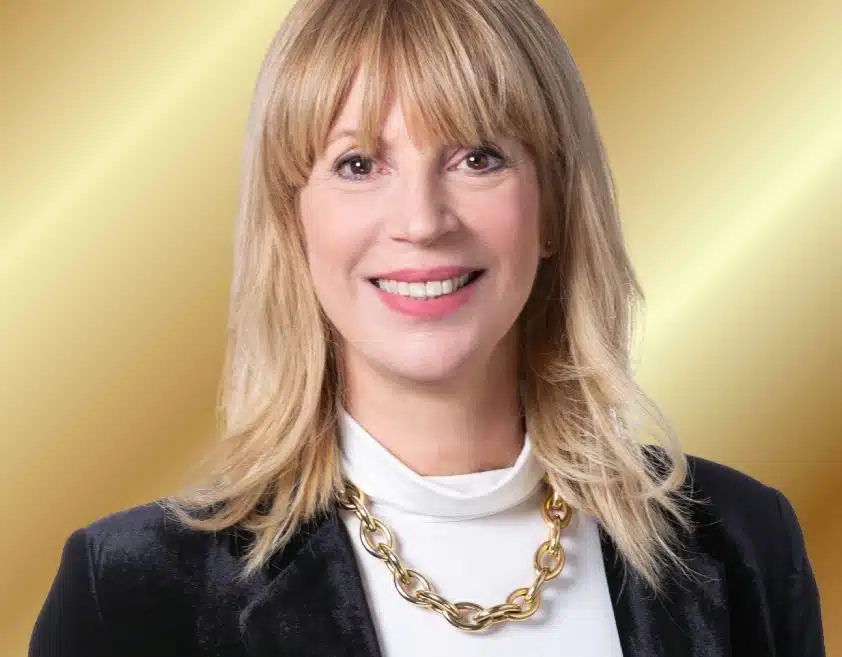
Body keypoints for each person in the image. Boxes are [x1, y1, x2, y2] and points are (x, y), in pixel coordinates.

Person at [29, 0, 825, 655]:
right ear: (293, 222)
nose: (421, 220)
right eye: (358, 164)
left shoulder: (744, 546)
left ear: (552, 207)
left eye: (477, 157)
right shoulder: (130, 595)